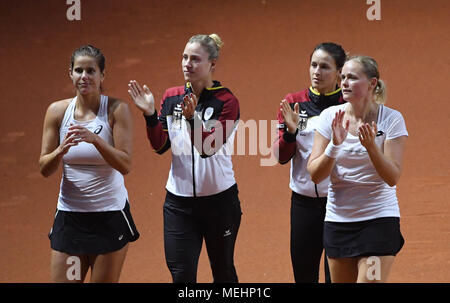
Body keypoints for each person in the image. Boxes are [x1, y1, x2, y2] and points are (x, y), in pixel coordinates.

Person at [128, 33, 242, 283]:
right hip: (178, 205)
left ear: (212, 64)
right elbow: (160, 146)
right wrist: (149, 114)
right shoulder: (172, 97)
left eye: (195, 59)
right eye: (184, 57)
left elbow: (207, 147)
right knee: (181, 277)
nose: (187, 64)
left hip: (219, 204)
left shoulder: (227, 101)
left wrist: (192, 120)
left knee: (223, 273)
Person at [39, 45, 140, 283]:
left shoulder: (116, 110)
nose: (84, 76)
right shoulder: (56, 112)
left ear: (102, 75)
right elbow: (44, 168)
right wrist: (61, 151)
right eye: (79, 70)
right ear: (70, 74)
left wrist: (96, 140)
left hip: (108, 217)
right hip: (70, 218)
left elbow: (125, 164)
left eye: (91, 71)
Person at [307, 55, 408, 283]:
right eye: (342, 77)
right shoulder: (329, 117)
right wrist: (334, 145)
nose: (344, 83)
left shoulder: (391, 119)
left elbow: (392, 177)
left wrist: (372, 146)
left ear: (372, 83)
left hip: (379, 219)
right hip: (339, 221)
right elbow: (315, 174)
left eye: (352, 78)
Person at [273, 42, 347, 283]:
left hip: (339, 203)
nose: (317, 71)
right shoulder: (294, 103)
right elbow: (280, 156)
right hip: (303, 206)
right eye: (313, 65)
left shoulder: (348, 106)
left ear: (339, 72)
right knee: (304, 276)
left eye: (325, 66)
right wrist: (291, 132)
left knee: (335, 277)